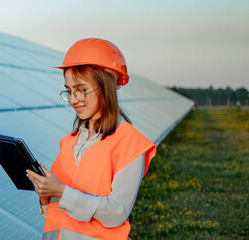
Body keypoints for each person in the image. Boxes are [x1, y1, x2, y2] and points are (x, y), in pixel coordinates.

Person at [25, 38, 156, 239]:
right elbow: (58, 215)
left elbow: (116, 213)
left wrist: (61, 192)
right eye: (68, 91)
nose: (73, 99)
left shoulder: (129, 143)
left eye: (81, 90)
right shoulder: (69, 142)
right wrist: (45, 196)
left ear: (106, 87)